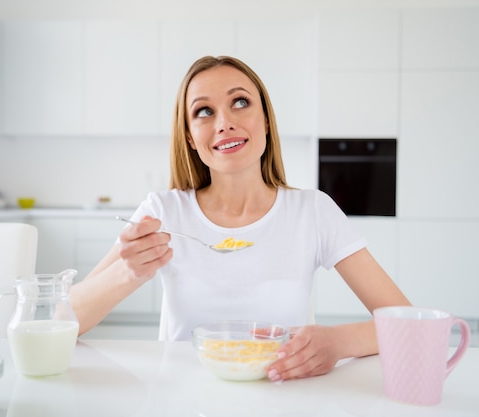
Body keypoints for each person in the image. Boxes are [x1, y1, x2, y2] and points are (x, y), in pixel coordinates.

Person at [70, 55, 411, 382]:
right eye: (204, 111)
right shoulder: (163, 212)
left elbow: (409, 324)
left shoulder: (313, 211)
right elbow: (63, 320)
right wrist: (128, 272)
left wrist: (338, 343)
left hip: (284, 399)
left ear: (265, 119)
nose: (224, 123)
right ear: (189, 136)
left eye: (240, 102)